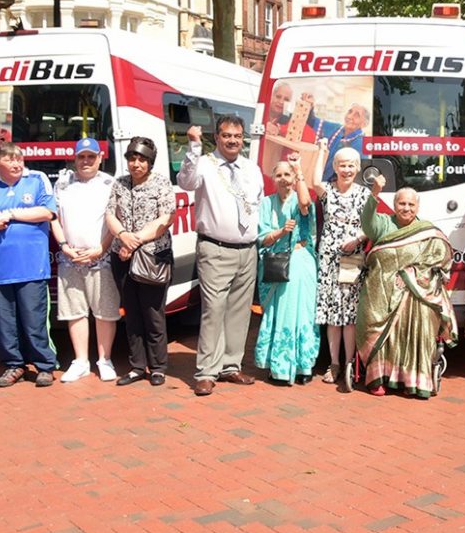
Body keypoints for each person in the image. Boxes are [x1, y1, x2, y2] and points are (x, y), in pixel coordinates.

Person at [177, 116, 264, 397]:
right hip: (214, 249)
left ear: (243, 139)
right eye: (227, 136)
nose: (232, 141)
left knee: (239, 311)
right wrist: (192, 147)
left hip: (247, 250)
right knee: (213, 310)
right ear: (216, 137)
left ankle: (230, 365)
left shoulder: (251, 168)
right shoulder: (203, 163)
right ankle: (205, 372)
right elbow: (186, 181)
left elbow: (257, 202)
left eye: (237, 136)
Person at [357, 175, 459, 398]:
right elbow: (367, 222)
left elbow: (440, 261)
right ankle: (377, 378)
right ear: (394, 205)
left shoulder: (427, 232)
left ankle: (411, 379)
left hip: (417, 290)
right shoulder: (383, 223)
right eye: (401, 203)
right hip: (381, 287)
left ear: (417, 207)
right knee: (374, 307)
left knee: (422, 313)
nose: (406, 208)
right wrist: (374, 193)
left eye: (411, 204)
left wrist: (410, 276)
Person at [0, 142, 58, 388]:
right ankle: (13, 365)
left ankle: (44, 366)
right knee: (5, 323)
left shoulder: (37, 179)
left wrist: (11, 214)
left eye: (20, 159)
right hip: (1, 269)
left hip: (31, 266)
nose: (18, 164)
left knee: (34, 320)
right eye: (11, 160)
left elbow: (47, 212)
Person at [106, 137, 175, 387]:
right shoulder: (119, 184)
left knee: (153, 314)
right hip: (121, 256)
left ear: (150, 162)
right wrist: (122, 237)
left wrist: (133, 242)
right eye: (132, 158)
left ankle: (157, 367)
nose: (136, 164)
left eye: (142, 159)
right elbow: (110, 214)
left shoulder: (161, 184)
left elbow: (166, 218)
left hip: (153, 257)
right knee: (132, 314)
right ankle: (137, 366)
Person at [51, 138, 119, 383]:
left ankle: (105, 360)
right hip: (71, 259)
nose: (86, 161)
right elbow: (54, 218)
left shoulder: (110, 184)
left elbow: (115, 221)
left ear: (100, 158)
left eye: (91, 157)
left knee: (104, 312)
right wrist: (64, 246)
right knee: (75, 312)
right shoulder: (63, 184)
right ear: (75, 159)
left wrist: (101, 249)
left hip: (101, 258)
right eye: (82, 157)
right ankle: (80, 361)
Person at [255, 155, 320, 385]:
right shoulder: (266, 203)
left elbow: (305, 204)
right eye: (279, 175)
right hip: (276, 264)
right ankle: (279, 367)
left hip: (301, 262)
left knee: (302, 312)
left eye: (287, 174)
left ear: (294, 178)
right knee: (279, 314)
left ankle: (304, 366)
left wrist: (299, 169)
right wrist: (281, 232)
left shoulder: (299, 196)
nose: (283, 179)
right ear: (273, 179)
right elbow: (262, 238)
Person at [312, 144, 370, 384]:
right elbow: (315, 180)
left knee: (349, 313)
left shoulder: (364, 194)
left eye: (351, 165)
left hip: (352, 258)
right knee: (332, 314)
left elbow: (371, 226)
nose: (346, 169)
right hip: (328, 259)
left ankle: (349, 362)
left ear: (357, 168)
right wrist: (321, 151)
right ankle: (334, 363)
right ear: (335, 167)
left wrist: (358, 238)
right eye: (342, 165)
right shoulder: (328, 190)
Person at [313, 103, 370, 181]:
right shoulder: (337, 128)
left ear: (363, 124)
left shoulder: (361, 144)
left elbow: (357, 175)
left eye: (356, 115)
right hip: (318, 180)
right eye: (349, 112)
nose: (350, 116)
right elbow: (312, 121)